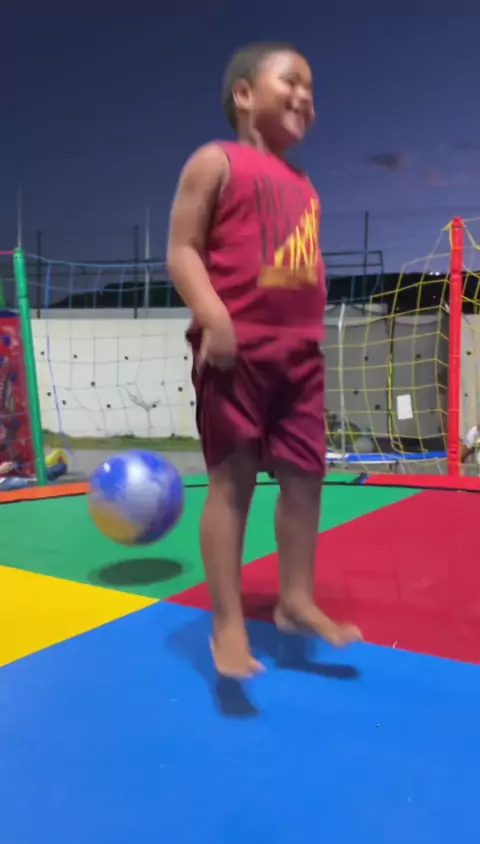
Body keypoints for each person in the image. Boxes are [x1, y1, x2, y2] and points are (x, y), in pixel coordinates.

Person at [167, 42, 362, 678]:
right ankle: (226, 621)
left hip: (299, 358)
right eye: (292, 81)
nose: (306, 96)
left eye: (312, 88)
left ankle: (294, 598)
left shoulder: (305, 185)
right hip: (236, 353)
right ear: (245, 93)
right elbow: (182, 250)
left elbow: (299, 265)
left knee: (306, 479)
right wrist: (214, 315)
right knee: (233, 483)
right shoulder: (215, 161)